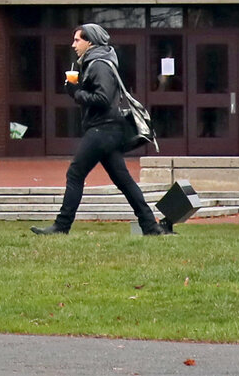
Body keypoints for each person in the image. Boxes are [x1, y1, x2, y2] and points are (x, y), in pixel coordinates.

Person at [32, 23, 162, 236]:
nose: (73, 44)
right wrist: (76, 90)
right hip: (108, 131)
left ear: (90, 42)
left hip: (102, 130)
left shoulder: (99, 64)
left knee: (75, 173)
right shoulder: (98, 62)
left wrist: (75, 92)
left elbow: (102, 99)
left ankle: (61, 226)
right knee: (124, 181)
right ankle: (149, 226)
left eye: (77, 40)